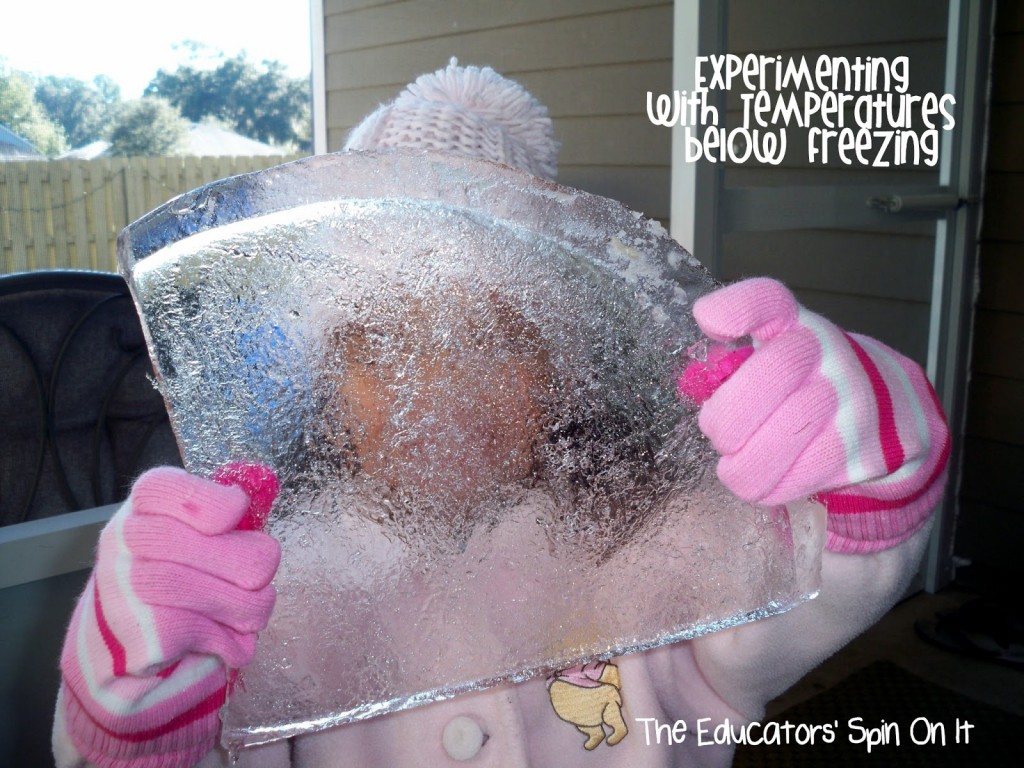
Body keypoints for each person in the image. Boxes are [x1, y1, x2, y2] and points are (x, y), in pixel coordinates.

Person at [53, 60, 950, 768]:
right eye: (383, 343)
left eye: (498, 334)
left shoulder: (641, 547)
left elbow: (803, 582)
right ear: (325, 375)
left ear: (564, 370)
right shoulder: (269, 594)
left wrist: (867, 463)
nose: (439, 381)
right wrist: (141, 697)